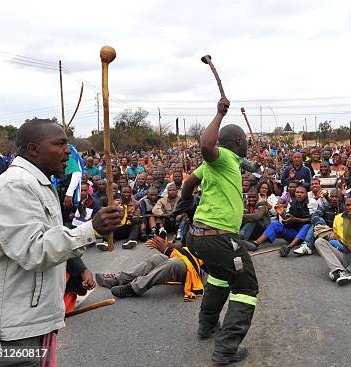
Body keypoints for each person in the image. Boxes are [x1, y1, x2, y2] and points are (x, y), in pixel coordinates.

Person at [0, 119, 120, 366]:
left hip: (28, 324)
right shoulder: (15, 186)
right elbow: (34, 250)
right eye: (60, 144)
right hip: (9, 333)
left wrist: (76, 269)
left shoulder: (38, 184)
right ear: (34, 149)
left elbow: (52, 236)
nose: (69, 151)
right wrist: (91, 229)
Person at [180, 98, 258, 364]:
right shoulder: (221, 157)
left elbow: (189, 182)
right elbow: (205, 145)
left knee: (219, 278)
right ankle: (226, 349)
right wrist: (219, 114)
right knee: (246, 288)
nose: (247, 144)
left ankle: (206, 326)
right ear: (237, 142)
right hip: (220, 238)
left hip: (201, 236)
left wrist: (186, 204)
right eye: (245, 140)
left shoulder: (224, 163)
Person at [96, 235, 204, 301]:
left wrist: (168, 250)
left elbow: (200, 259)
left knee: (173, 263)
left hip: (199, 272)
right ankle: (118, 279)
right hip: (187, 260)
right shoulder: (194, 228)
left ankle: (133, 288)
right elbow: (185, 248)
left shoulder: (214, 234)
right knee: (156, 258)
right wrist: (166, 245)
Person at [247, 186, 312, 256]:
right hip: (293, 233)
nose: (299, 194)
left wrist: (295, 219)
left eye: (302, 192)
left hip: (305, 235)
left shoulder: (311, 202)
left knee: (307, 226)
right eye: (297, 192)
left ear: (306, 194)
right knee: (275, 224)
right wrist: (282, 215)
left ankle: (288, 247)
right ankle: (255, 243)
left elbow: (310, 220)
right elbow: (288, 221)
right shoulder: (292, 203)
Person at [293, 188, 344, 256]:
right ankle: (307, 246)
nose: (334, 199)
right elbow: (314, 216)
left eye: (336, 197)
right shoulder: (325, 206)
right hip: (324, 233)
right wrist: (322, 225)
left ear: (341, 198)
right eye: (332, 196)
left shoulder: (345, 209)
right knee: (316, 223)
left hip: (339, 236)